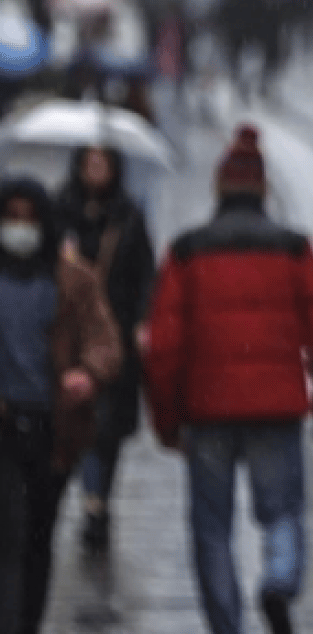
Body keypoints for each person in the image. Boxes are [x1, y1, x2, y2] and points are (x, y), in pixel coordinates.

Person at [144, 126, 313, 634]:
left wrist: (167, 421)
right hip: (277, 408)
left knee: (212, 530)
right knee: (283, 513)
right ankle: (278, 580)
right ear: (263, 191)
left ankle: (226, 624)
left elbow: (163, 347)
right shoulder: (294, 249)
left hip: (207, 412)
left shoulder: (187, 251)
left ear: (217, 189)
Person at [0, 178, 120, 634]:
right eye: (11, 216)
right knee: (9, 532)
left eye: (28, 218)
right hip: (5, 427)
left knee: (38, 535)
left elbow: (104, 339)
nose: (19, 228)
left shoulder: (73, 278)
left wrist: (87, 372)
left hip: (54, 429)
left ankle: (26, 620)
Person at [58, 146, 156, 554]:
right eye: (89, 163)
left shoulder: (129, 215)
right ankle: (93, 504)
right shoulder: (59, 212)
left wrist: (141, 323)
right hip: (69, 339)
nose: (95, 170)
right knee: (81, 423)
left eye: (103, 163)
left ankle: (98, 500)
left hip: (115, 337)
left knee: (108, 429)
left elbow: (146, 274)